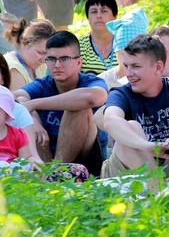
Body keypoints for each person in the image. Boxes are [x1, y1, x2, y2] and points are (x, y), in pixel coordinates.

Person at [100, 34, 169, 180]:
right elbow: (110, 120)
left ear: (158, 67)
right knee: (132, 127)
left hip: (168, 164)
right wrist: (146, 146)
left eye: (136, 66)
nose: (128, 74)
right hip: (127, 171)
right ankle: (157, 196)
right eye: (126, 66)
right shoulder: (121, 93)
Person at [14, 30, 108, 176]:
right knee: (27, 113)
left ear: (78, 62)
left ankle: (56, 174)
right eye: (51, 59)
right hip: (47, 155)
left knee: (79, 106)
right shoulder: (43, 84)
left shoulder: (91, 81)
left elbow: (93, 97)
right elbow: (15, 99)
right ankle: (47, 175)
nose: (57, 65)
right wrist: (33, 119)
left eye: (64, 59)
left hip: (88, 159)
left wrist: (35, 104)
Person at [3, 18, 55, 90]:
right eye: (40, 52)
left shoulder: (38, 65)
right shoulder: (14, 68)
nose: (43, 60)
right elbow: (19, 101)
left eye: (48, 55)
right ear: (24, 43)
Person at [0, 86, 42, 172]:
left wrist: (34, 163)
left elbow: (26, 158)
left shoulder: (17, 134)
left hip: (13, 179)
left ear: (7, 114)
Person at [79, 0, 118, 75]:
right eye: (94, 12)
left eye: (104, 11)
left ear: (114, 16)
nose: (99, 16)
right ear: (87, 17)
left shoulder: (124, 44)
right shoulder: (79, 46)